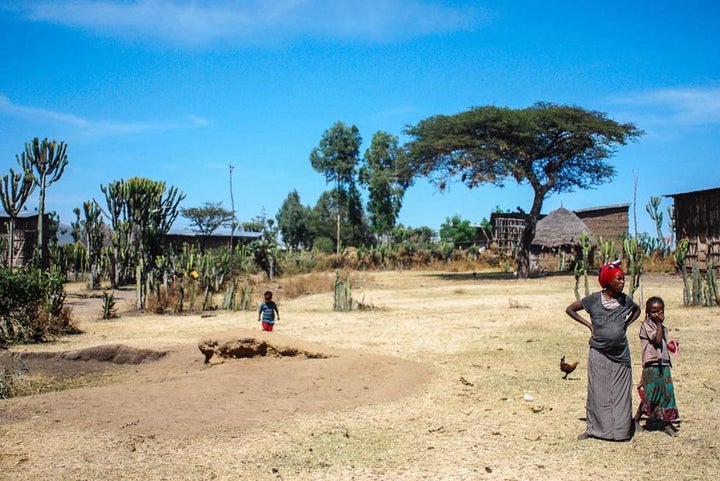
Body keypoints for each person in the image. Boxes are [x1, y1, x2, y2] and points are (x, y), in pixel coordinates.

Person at [565, 260, 642, 441]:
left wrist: (626, 325)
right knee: (597, 392)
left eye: (623, 279)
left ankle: (621, 431)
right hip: (598, 352)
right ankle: (593, 430)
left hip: (621, 353)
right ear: (608, 281)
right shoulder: (593, 300)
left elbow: (637, 311)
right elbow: (570, 309)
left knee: (621, 392)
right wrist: (589, 325)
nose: (623, 282)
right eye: (619, 279)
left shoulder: (625, 300)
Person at [633, 296, 679, 436]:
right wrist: (659, 323)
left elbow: (662, 345)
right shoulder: (647, 325)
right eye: (653, 312)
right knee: (649, 396)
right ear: (648, 312)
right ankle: (635, 420)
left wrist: (671, 347)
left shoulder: (663, 328)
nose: (657, 314)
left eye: (660, 311)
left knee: (667, 394)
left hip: (663, 365)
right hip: (651, 366)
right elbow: (657, 341)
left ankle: (668, 424)